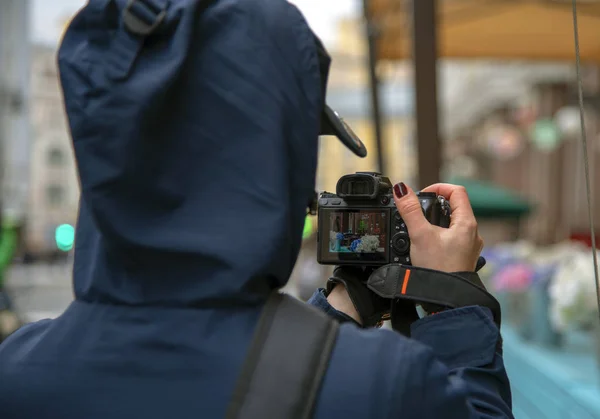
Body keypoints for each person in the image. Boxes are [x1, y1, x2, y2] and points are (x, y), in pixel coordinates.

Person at [0, 1, 513, 418]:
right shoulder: (386, 385)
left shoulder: (17, 370)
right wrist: (455, 301)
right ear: (271, 170)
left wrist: (338, 311)